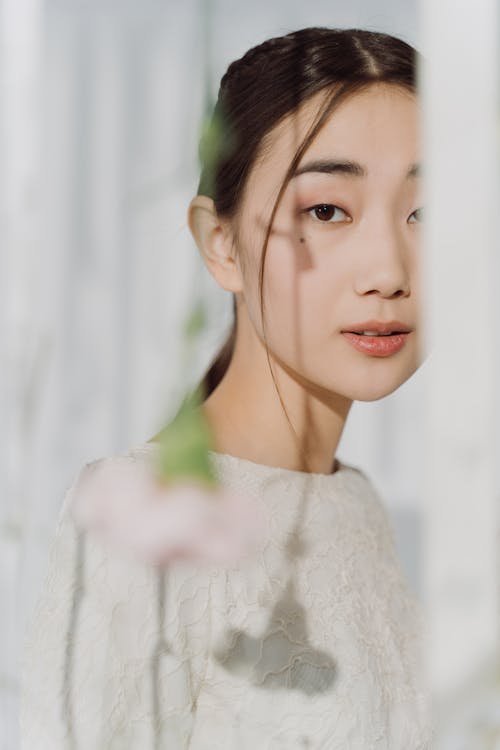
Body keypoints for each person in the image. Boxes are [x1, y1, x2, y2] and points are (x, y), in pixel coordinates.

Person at [20, 26, 432, 749]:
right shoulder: (143, 519)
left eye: (424, 213)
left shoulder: (356, 505)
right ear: (221, 244)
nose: (390, 270)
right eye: (327, 210)